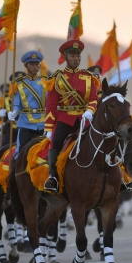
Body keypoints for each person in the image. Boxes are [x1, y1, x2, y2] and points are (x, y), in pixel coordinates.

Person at [43, 40, 99, 193]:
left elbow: (94, 98)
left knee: (102, 141)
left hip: (84, 119)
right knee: (57, 142)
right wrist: (49, 127)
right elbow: (52, 105)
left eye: (78, 56)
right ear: (65, 56)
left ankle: (114, 176)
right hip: (64, 118)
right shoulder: (57, 78)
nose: (76, 58)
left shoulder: (89, 77)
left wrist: (90, 110)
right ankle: (53, 178)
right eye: (73, 55)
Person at [8, 51, 47, 156]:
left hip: (43, 123)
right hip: (26, 123)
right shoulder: (18, 83)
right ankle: (14, 172)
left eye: (37, 64)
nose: (35, 67)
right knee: (20, 153)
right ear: (26, 65)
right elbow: (16, 104)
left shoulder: (46, 82)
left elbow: (49, 103)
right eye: (32, 64)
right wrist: (14, 112)